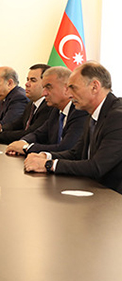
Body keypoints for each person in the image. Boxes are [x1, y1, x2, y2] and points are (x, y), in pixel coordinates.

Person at [24, 62, 122, 193]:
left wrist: (49, 165)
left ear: (94, 87)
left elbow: (97, 166)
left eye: (73, 88)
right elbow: (76, 153)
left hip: (114, 197)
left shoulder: (118, 116)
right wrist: (45, 156)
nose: (69, 95)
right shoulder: (93, 113)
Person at [5, 66, 89, 155]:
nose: (44, 93)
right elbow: (38, 134)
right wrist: (22, 142)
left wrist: (26, 148)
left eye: (48, 87)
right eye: (43, 88)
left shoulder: (80, 111)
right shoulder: (56, 110)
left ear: (66, 88)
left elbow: (65, 148)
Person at [0, 64, 52, 143]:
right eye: (27, 80)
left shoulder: (48, 106)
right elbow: (16, 124)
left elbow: (30, 133)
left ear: (45, 84)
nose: (27, 84)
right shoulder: (31, 104)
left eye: (33, 80)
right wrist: (0, 129)